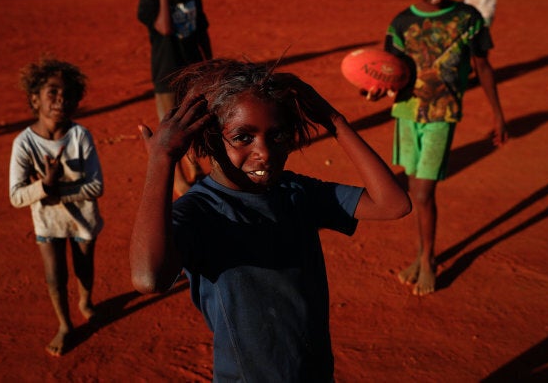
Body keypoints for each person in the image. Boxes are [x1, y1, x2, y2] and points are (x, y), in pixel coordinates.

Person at [130, 58, 411, 381]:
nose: (264, 152)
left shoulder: (295, 192)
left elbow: (393, 204)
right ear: (209, 139)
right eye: (243, 137)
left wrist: (334, 120)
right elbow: (148, 279)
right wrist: (160, 162)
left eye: (277, 136)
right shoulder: (199, 212)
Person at [365, 0, 508, 297]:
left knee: (424, 193)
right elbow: (390, 72)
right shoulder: (401, 22)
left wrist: (499, 115)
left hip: (442, 115)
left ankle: (428, 260)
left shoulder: (468, 18)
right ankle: (419, 254)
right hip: (406, 113)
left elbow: (483, 67)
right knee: (416, 191)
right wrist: (373, 89)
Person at [9, 58, 104, 357]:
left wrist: (52, 191)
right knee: (55, 275)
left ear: (77, 101)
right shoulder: (23, 144)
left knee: (84, 267)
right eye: (52, 92)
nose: (60, 99)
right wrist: (44, 187)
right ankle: (65, 325)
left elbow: (97, 186)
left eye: (68, 94)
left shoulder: (80, 137)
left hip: (83, 221)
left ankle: (85, 302)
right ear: (34, 98)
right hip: (47, 223)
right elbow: (15, 196)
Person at [137, 0, 213, 196]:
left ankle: (194, 165)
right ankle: (178, 180)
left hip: (193, 72)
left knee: (195, 120)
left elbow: (201, 32)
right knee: (171, 127)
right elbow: (165, 28)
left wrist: (210, 65)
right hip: (166, 75)